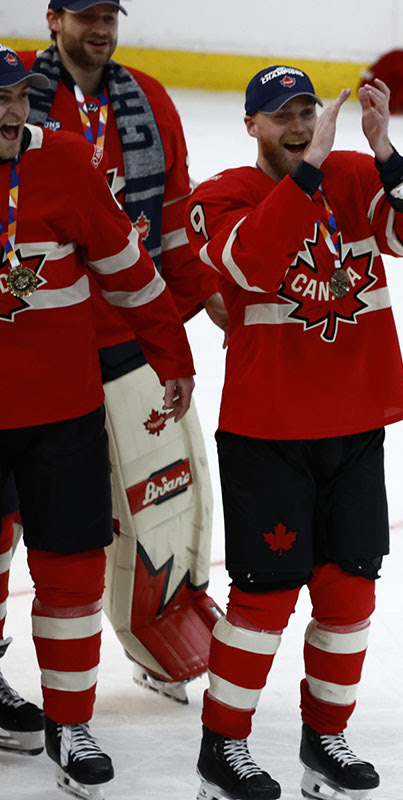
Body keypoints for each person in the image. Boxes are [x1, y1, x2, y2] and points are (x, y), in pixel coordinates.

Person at [185, 65, 403, 800]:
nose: (299, 127)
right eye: (281, 117)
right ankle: (223, 748)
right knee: (265, 597)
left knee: (350, 594)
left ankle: (325, 739)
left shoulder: (358, 177)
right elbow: (251, 266)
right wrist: (304, 178)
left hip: (357, 423)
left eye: (305, 112)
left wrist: (387, 151)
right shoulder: (221, 196)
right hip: (268, 431)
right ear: (252, 127)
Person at [10, 0, 227, 706]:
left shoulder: (150, 100)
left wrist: (197, 301)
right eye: (85, 16)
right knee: (14, 516)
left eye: (110, 16)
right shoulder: (16, 105)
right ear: (53, 19)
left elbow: (172, 217)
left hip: (130, 339)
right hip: (41, 347)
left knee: (161, 497)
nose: (99, 30)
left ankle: (160, 639)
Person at [0, 44, 196, 797]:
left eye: (18, 96)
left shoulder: (67, 163)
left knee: (72, 572)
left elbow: (130, 271)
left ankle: (71, 723)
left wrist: (171, 358)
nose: (12, 112)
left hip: (62, 414)